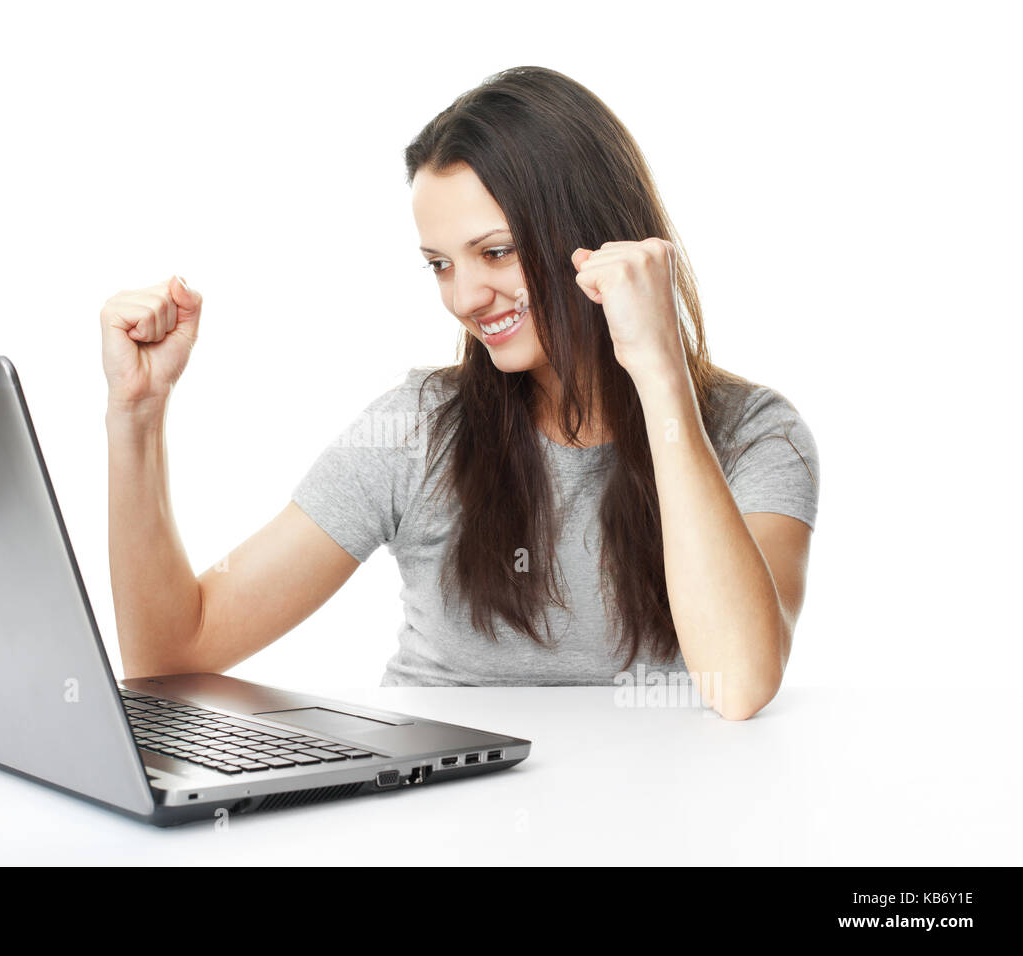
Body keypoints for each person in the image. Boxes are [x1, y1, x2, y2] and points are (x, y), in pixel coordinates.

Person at [99, 66, 819, 720]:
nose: (466, 297)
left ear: (596, 240)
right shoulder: (416, 432)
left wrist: (659, 374)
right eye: (440, 265)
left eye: (496, 252)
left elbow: (742, 683)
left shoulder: (755, 435)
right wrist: (137, 415)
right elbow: (169, 656)